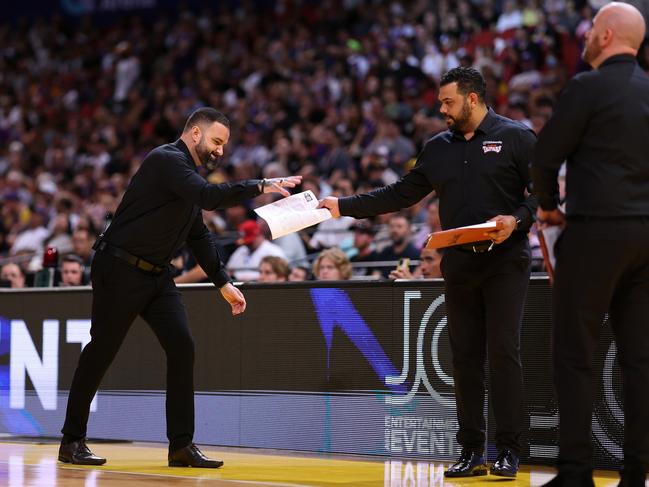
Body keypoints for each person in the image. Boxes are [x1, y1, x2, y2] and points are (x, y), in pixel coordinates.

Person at [319, 67, 537, 478]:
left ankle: (510, 450)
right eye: (441, 102)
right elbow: (399, 194)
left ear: (472, 99)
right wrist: (342, 205)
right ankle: (471, 451)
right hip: (459, 264)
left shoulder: (517, 137)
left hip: (505, 261)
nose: (442, 109)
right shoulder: (438, 147)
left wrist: (518, 219)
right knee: (465, 359)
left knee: (503, 354)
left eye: (448, 102)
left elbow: (543, 192)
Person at [58, 107, 301, 468]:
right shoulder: (166, 161)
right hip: (119, 268)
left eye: (224, 145)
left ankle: (181, 446)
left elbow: (199, 236)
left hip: (157, 276)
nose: (220, 150)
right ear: (195, 134)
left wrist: (224, 282)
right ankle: (71, 441)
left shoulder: (186, 178)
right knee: (102, 351)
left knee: (182, 345)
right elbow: (207, 197)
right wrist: (260, 186)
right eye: (217, 141)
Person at [532, 4, 649, 486]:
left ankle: (576, 473)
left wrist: (548, 204)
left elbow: (544, 156)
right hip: (646, 237)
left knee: (575, 354)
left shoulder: (586, 87)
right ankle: (637, 474)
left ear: (604, 35)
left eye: (588, 31)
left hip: (595, 230)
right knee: (640, 360)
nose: (583, 38)